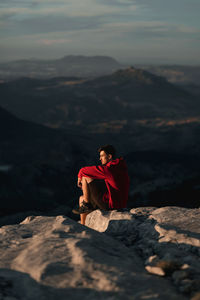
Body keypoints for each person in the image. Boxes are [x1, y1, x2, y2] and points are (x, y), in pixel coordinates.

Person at [72, 144, 130, 225]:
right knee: (82, 198)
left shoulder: (110, 170)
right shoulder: (117, 167)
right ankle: (83, 225)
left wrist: (79, 175)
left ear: (109, 156)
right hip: (116, 202)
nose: (100, 158)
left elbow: (84, 171)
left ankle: (86, 205)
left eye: (102, 156)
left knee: (85, 176)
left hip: (111, 204)